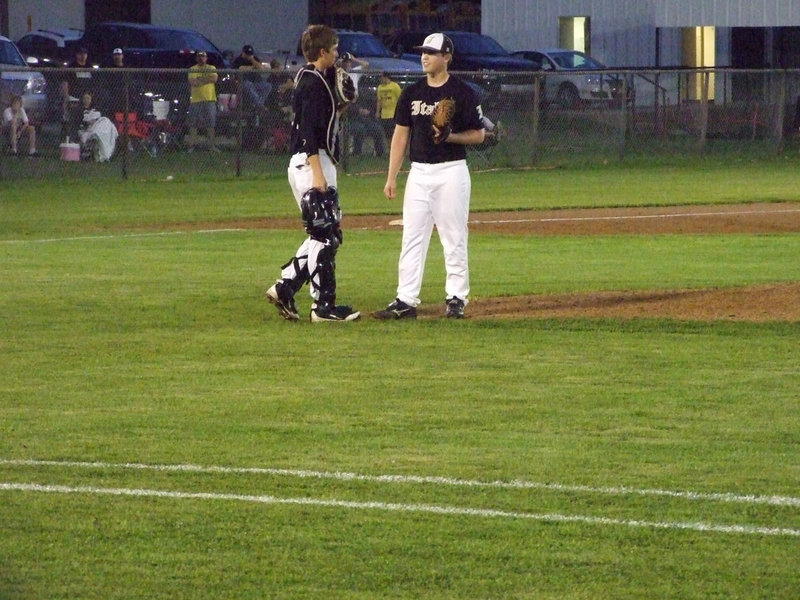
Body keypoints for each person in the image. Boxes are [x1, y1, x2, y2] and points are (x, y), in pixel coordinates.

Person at [374, 33, 485, 320]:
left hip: (451, 171)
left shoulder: (462, 92)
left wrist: (452, 136)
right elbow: (401, 135)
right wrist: (391, 176)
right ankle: (405, 299)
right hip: (418, 172)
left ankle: (456, 298)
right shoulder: (412, 92)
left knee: (454, 237)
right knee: (412, 237)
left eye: (431, 52)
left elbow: (479, 134)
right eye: (423, 52)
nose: (424, 57)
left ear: (446, 57)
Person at [265, 24, 360, 323]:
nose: (337, 54)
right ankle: (323, 307)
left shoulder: (312, 77)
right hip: (311, 163)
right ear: (322, 52)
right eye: (334, 49)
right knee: (325, 237)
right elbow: (308, 132)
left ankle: (285, 288)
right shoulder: (312, 84)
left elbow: (323, 121)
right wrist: (318, 173)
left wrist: (340, 106)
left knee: (326, 233)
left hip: (308, 162)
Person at [186, 50, 219, 152]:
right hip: (196, 100)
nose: (201, 58)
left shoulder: (211, 68)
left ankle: (212, 146)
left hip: (210, 99)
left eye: (203, 56)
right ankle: (191, 146)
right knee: (193, 124)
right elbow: (193, 82)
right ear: (196, 58)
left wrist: (200, 79)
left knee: (210, 124)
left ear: (206, 58)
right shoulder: (193, 69)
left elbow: (214, 79)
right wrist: (206, 79)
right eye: (199, 57)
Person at [61, 46, 94, 142]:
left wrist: (90, 97)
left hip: (87, 99)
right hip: (74, 98)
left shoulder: (89, 66)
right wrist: (66, 98)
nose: (83, 56)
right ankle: (72, 140)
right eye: (80, 54)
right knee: (74, 120)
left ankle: (85, 141)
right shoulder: (72, 66)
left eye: (85, 54)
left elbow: (94, 83)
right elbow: (65, 83)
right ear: (77, 55)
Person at [231, 44, 272, 111]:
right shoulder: (238, 60)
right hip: (244, 82)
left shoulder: (254, 59)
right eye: (247, 54)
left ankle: (258, 104)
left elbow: (261, 68)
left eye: (250, 54)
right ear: (243, 53)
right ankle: (259, 105)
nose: (248, 56)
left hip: (256, 82)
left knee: (268, 86)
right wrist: (253, 67)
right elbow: (241, 68)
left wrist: (252, 60)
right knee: (248, 84)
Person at [376, 71, 401, 142]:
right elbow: (379, 100)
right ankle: (389, 147)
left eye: (381, 77)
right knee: (387, 134)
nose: (380, 79)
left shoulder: (395, 86)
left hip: (393, 114)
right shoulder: (380, 87)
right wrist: (377, 112)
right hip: (384, 114)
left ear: (385, 77)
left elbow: (400, 99)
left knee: (394, 133)